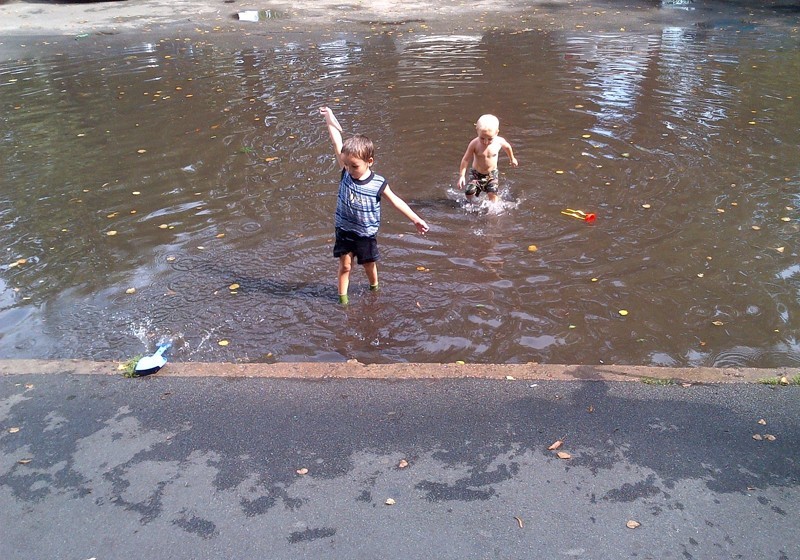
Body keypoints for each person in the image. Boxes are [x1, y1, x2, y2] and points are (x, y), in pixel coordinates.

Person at [320, 106, 429, 305]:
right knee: (345, 266)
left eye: (354, 166)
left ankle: (374, 288)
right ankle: (342, 301)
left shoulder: (378, 183)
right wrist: (329, 119)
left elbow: (396, 201)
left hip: (366, 233)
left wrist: (416, 219)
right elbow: (336, 141)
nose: (350, 169)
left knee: (369, 264)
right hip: (344, 230)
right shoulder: (345, 172)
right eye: (346, 164)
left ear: (369, 161)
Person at [457, 114, 518, 203]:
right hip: (476, 174)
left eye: (490, 139)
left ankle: (494, 210)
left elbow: (507, 147)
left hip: (491, 174)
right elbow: (466, 159)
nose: (486, 142)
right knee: (469, 192)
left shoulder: (499, 141)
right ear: (477, 131)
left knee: (492, 193)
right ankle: (470, 205)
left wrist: (512, 159)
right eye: (482, 138)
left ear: (497, 132)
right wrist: (462, 176)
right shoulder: (474, 144)